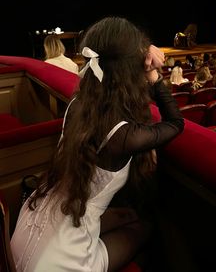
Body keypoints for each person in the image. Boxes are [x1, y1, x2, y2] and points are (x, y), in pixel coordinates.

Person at [11, 16, 184, 272]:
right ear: (131, 70)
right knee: (143, 227)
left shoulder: (78, 104)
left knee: (129, 215)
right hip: (59, 259)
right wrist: (154, 77)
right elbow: (176, 123)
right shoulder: (125, 135)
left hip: (31, 226)